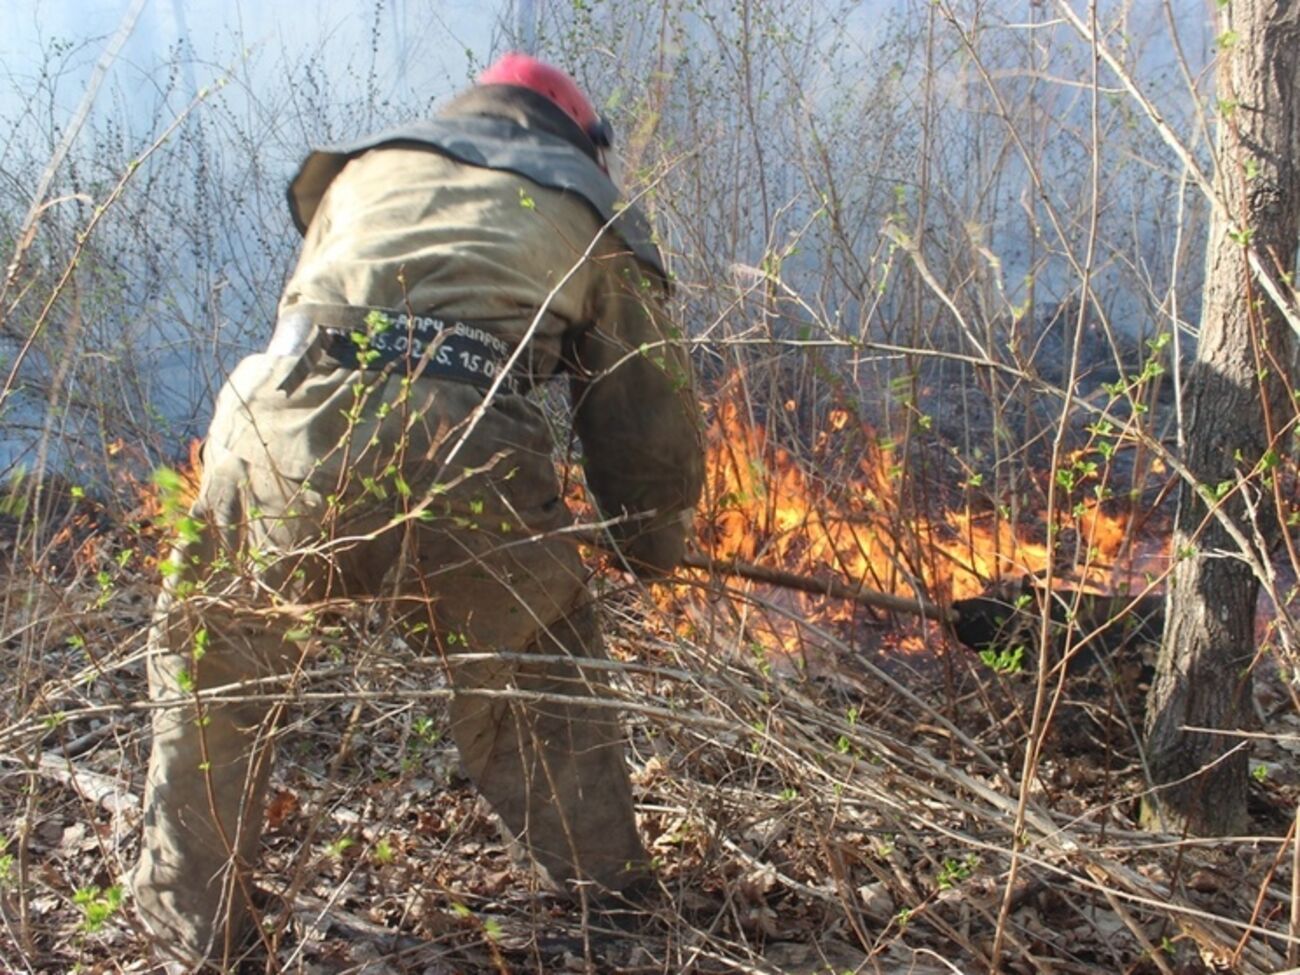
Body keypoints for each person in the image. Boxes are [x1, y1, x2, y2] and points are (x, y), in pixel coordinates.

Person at [130, 52, 704, 970]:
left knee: (215, 679)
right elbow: (647, 427)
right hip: (458, 434)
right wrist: (652, 548)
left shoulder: (363, 170)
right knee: (537, 684)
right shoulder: (593, 214)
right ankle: (611, 920)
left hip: (274, 418)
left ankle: (185, 932)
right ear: (580, 140)